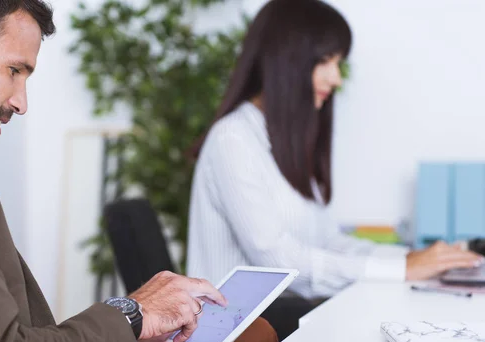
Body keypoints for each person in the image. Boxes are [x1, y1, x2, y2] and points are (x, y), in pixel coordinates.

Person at [0, 1, 277, 342]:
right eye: (14, 70)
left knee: (248, 338)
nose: (22, 102)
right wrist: (131, 314)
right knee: (255, 340)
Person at [186, 0, 483, 301]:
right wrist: (401, 269)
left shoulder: (287, 143)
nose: (336, 79)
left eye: (338, 63)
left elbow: (328, 241)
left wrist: (411, 258)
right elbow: (278, 260)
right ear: (286, 60)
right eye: (325, 61)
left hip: (285, 324)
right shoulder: (232, 140)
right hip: (241, 339)